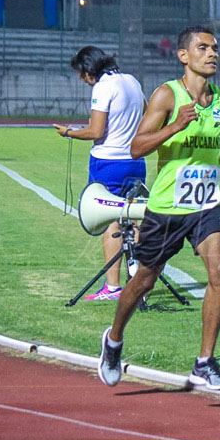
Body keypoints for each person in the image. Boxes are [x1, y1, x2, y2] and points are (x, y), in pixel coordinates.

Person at [96, 25, 220, 390]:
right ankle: (113, 340)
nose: (212, 54)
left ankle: (204, 362)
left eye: (215, 48)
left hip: (207, 205)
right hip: (168, 206)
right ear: (183, 56)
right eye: (203, 48)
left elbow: (206, 147)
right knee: (144, 279)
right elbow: (137, 147)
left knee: (219, 271)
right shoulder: (166, 95)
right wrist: (175, 124)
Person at [56, 46, 147, 301]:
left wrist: (69, 132)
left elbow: (97, 132)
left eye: (81, 73)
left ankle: (113, 287)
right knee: (133, 218)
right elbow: (149, 113)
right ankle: (138, 281)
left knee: (111, 220)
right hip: (136, 161)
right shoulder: (132, 81)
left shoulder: (103, 87)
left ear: (89, 69)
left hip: (108, 162)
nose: (80, 78)